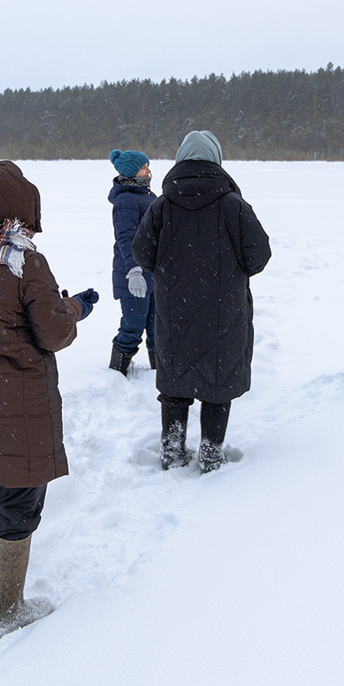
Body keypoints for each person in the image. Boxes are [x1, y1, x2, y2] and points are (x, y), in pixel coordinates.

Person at [0, 160, 98, 641]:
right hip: (24, 405)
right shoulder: (24, 262)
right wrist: (76, 307)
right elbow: (52, 333)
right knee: (20, 500)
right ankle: (6, 611)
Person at [132, 130, 271, 474]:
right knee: (217, 382)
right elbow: (258, 256)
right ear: (216, 160)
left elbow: (142, 253)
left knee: (176, 381)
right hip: (222, 313)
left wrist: (172, 272)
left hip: (173, 310)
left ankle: (173, 451)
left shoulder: (162, 205)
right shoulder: (233, 205)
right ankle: (210, 453)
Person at [107, 149, 156, 376]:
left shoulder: (150, 197)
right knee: (133, 325)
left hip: (155, 274)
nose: (149, 170)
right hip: (132, 275)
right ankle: (116, 374)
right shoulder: (126, 200)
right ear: (132, 171)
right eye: (144, 166)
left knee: (159, 327)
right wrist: (134, 271)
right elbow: (125, 238)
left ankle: (162, 372)